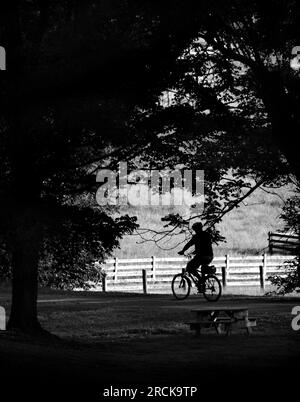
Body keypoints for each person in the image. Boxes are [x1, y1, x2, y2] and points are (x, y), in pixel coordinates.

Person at [178, 222, 213, 289]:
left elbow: (189, 244)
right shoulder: (207, 235)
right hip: (210, 256)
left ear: (196, 229)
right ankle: (202, 284)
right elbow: (205, 246)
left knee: (189, 267)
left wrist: (183, 251)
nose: (195, 231)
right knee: (203, 267)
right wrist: (195, 252)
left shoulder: (196, 237)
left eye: (195, 229)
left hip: (201, 256)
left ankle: (200, 280)